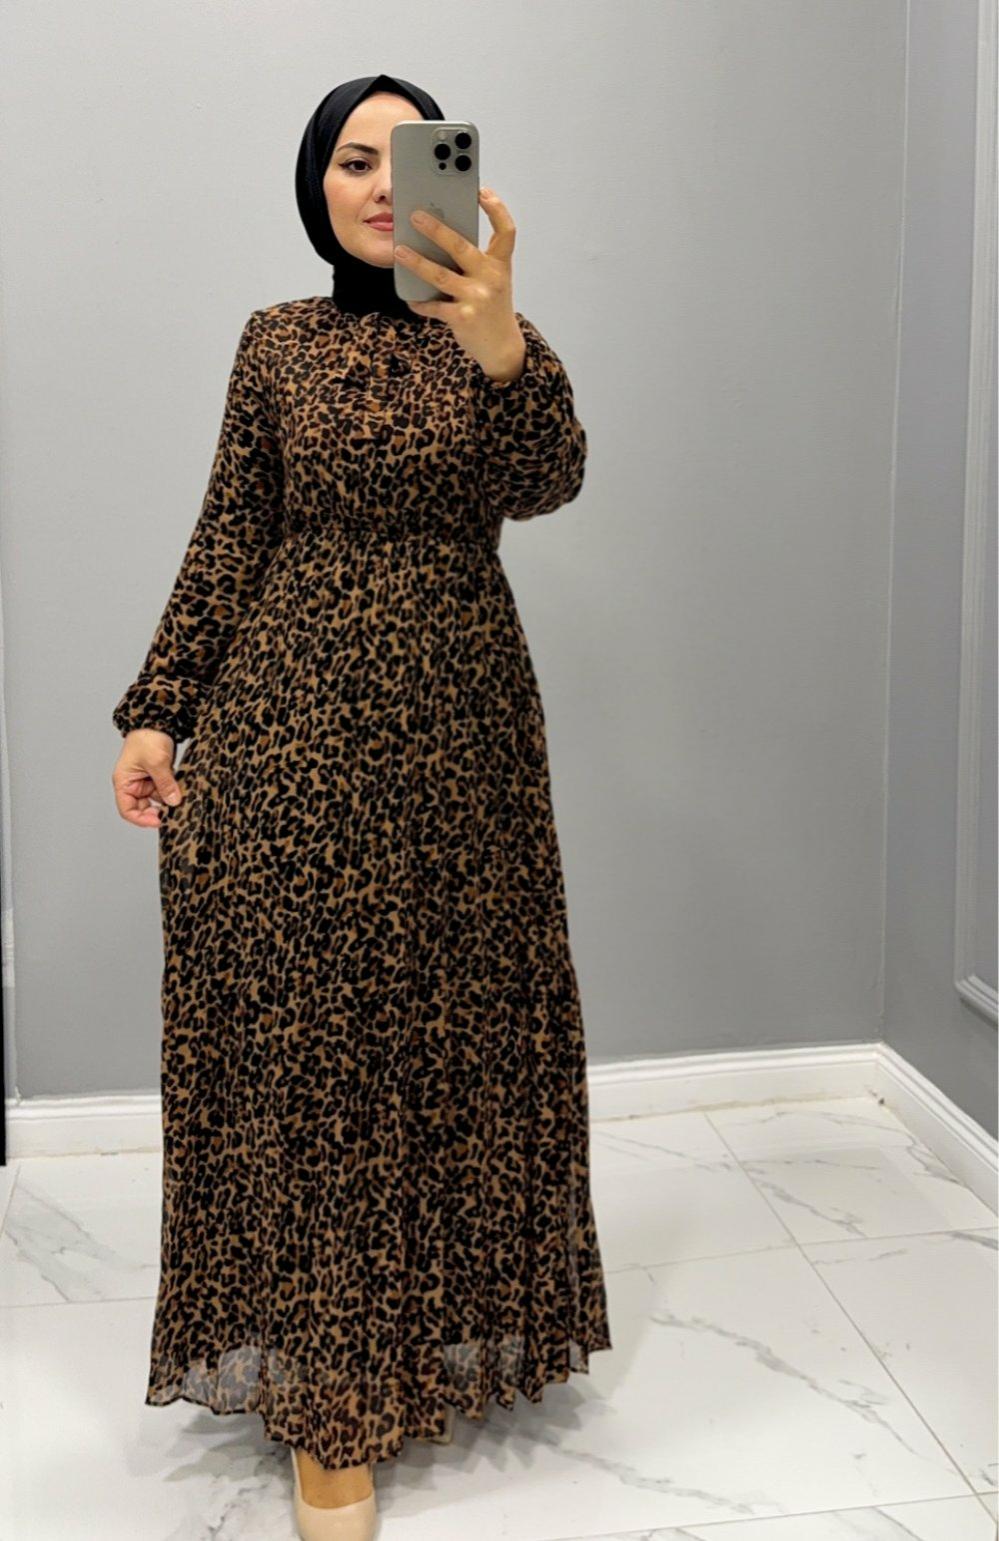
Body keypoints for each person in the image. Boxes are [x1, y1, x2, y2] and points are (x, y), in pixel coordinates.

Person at [111, 72, 612, 1539]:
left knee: (452, 1035)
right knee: (315, 1059)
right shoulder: (275, 343)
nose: (385, 183)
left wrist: (500, 342)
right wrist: (158, 706)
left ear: (458, 175)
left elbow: (555, 481)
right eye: (351, 159)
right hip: (289, 744)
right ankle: (333, 1404)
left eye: (411, 156)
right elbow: (231, 533)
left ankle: (418, 1336)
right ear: (315, 188)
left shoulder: (495, 335)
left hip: (462, 746)